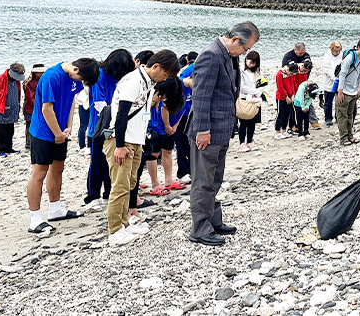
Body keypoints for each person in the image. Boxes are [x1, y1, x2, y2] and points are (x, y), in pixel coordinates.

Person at [187, 21, 260, 246]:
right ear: (236, 39)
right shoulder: (211, 55)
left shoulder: (228, 55)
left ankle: (212, 220)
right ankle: (199, 228)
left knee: (215, 178)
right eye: (246, 48)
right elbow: (201, 96)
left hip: (222, 128)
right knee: (203, 180)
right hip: (207, 130)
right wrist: (203, 130)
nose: (246, 53)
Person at [104, 50, 179, 245]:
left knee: (129, 184)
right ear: (155, 67)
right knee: (120, 186)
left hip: (136, 140)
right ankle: (114, 229)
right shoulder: (134, 81)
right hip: (122, 140)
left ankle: (125, 223)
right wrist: (119, 145)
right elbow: (121, 114)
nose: (165, 79)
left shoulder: (148, 84)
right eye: (165, 74)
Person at [25, 58, 100, 234]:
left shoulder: (74, 77)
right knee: (39, 172)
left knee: (58, 167)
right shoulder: (52, 76)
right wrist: (57, 134)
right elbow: (46, 109)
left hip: (60, 130)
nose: (80, 83)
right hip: (42, 132)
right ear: (75, 69)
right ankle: (35, 219)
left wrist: (69, 126)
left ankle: (55, 209)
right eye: (80, 79)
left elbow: (72, 99)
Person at [84, 49, 135, 210]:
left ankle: (108, 193)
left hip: (113, 126)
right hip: (99, 127)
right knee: (97, 162)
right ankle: (92, 196)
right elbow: (99, 105)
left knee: (111, 161)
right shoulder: (99, 75)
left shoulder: (119, 78)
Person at [335, 37, 360, 146]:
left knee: (350, 114)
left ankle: (350, 136)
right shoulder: (350, 58)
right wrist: (340, 92)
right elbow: (342, 74)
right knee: (342, 115)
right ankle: (343, 138)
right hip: (344, 90)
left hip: (353, 91)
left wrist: (358, 90)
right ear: (359, 48)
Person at [0, 63, 26, 155]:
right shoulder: (0, 79)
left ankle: (8, 148)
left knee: (10, 129)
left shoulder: (16, 81)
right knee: (1, 130)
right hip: (2, 109)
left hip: (12, 109)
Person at [175, 52, 197, 182]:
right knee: (182, 142)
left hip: (195, 111)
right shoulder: (189, 72)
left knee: (194, 142)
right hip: (183, 113)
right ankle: (182, 171)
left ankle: (193, 169)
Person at [237, 50, 262, 151]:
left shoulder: (257, 71)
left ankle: (250, 141)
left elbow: (262, 83)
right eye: (249, 61)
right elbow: (242, 87)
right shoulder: (241, 71)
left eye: (253, 62)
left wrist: (259, 92)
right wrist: (255, 91)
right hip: (244, 99)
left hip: (255, 99)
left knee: (253, 122)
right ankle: (242, 143)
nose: (250, 64)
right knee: (243, 122)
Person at [22, 64, 46, 151]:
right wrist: (40, 106)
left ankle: (36, 143)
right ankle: (29, 144)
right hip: (31, 108)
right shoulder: (29, 83)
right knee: (30, 126)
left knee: (39, 125)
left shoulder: (42, 80)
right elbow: (30, 97)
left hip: (39, 107)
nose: (42, 72)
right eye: (40, 71)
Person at [320, 41, 343, 126]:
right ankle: (328, 118)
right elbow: (326, 69)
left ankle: (338, 117)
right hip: (329, 82)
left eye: (338, 51)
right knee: (328, 101)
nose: (337, 53)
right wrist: (334, 78)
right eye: (335, 51)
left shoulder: (342, 55)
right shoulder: (327, 56)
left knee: (339, 101)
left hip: (339, 81)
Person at [274, 61, 298, 139]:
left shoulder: (291, 75)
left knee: (287, 114)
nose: (291, 75)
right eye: (290, 73)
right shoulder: (280, 74)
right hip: (281, 97)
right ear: (287, 69)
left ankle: (284, 130)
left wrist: (293, 94)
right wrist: (286, 96)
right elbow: (280, 87)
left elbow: (293, 83)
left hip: (290, 96)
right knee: (280, 114)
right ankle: (278, 131)